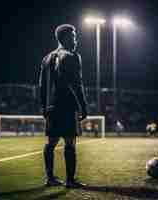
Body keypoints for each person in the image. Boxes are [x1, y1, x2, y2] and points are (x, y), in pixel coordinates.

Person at [39, 24, 87, 188]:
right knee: (70, 143)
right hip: (67, 105)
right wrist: (83, 105)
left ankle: (50, 178)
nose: (76, 40)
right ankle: (70, 180)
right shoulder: (72, 56)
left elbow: (42, 86)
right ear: (66, 37)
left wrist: (44, 108)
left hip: (51, 106)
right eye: (73, 37)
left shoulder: (47, 58)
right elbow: (77, 84)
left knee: (51, 143)